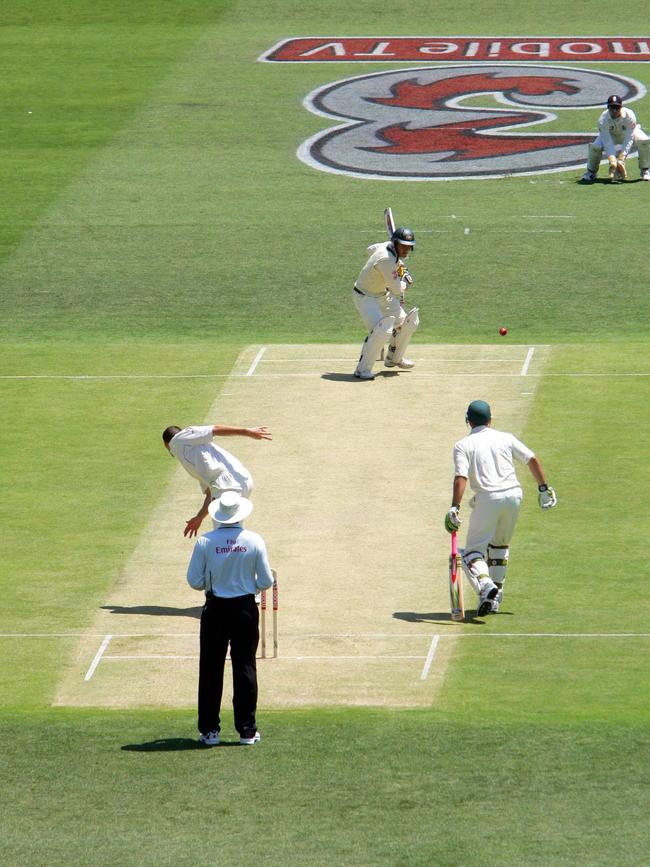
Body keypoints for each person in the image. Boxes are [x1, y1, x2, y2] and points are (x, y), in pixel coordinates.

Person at [444, 400, 557, 616]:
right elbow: (531, 459)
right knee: (499, 547)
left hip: (488, 497)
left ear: (468, 421)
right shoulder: (505, 438)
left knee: (472, 553)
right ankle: (495, 600)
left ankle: (486, 586)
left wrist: (454, 508)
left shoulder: (463, 445)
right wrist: (543, 488)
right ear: (490, 419)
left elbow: (461, 477)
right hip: (514, 496)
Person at [186, 490, 274, 746]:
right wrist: (251, 588)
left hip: (215, 609)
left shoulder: (206, 542)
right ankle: (246, 730)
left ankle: (210, 731)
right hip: (245, 609)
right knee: (245, 666)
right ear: (240, 515)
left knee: (211, 668)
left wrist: (210, 584)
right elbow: (267, 580)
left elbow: (194, 580)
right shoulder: (254, 540)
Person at [162, 423, 271, 537]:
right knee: (231, 534)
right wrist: (199, 517)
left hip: (229, 484)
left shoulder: (179, 439)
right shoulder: (195, 457)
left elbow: (214, 429)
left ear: (165, 444)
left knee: (223, 535)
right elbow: (210, 494)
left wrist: (246, 431)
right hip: (236, 483)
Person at [352, 226, 419, 380]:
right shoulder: (386, 259)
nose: (406, 250)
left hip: (382, 295)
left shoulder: (385, 248)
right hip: (365, 297)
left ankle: (394, 358)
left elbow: (370, 248)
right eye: (403, 246)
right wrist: (405, 280)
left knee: (408, 322)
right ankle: (362, 370)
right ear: (395, 243)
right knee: (383, 330)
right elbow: (397, 289)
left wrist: (399, 270)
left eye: (408, 247)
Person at [581, 94, 650, 183]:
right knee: (595, 147)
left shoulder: (629, 115)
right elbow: (607, 141)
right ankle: (591, 172)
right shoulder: (603, 119)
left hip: (627, 134)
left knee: (644, 141)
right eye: (611, 107)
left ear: (621, 107)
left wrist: (621, 159)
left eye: (617, 108)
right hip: (611, 136)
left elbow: (629, 138)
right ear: (608, 107)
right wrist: (612, 160)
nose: (614, 110)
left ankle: (645, 170)